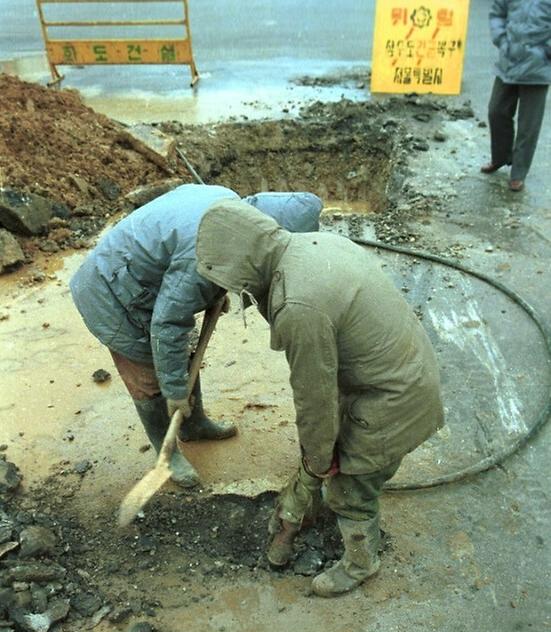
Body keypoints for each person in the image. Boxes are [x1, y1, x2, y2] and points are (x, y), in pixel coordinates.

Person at [195, 200, 444, 598]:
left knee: (348, 489)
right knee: (330, 459)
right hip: (402, 370)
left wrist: (315, 465)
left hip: (395, 398)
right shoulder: (311, 244)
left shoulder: (298, 306)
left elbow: (315, 399)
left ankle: (361, 562)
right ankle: (319, 504)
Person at [70, 184, 322, 487]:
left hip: (144, 278)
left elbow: (193, 274)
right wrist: (175, 391)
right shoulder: (204, 249)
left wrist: (217, 286)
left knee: (183, 354)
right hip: (110, 292)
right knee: (150, 378)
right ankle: (167, 454)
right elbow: (168, 324)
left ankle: (194, 425)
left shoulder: (230, 208)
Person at [481, 0, 551, 192]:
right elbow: (497, 13)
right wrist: (502, 40)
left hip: (538, 67)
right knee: (496, 111)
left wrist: (544, 51)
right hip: (509, 60)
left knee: (529, 125)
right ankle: (500, 157)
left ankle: (518, 173)